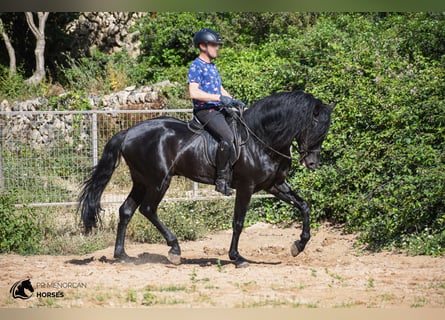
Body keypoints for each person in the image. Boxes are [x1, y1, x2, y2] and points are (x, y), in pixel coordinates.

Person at [187, 28, 243, 196]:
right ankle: (221, 179)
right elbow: (194, 92)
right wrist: (218, 98)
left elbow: (219, 88)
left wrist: (232, 100)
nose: (217, 48)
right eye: (214, 45)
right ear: (203, 46)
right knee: (228, 137)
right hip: (206, 111)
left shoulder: (212, 66)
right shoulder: (196, 66)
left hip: (218, 108)